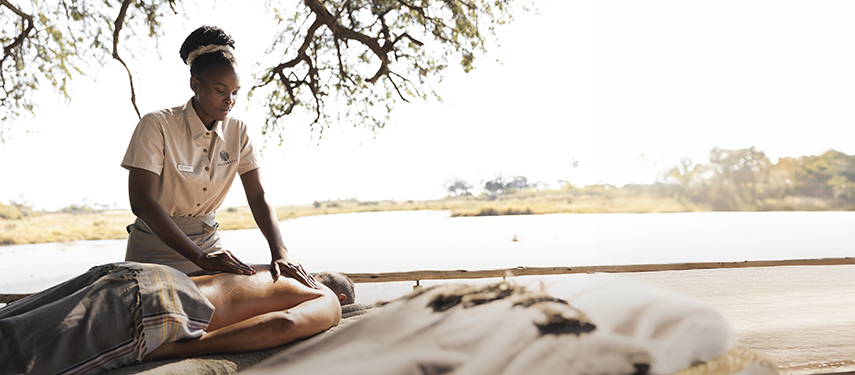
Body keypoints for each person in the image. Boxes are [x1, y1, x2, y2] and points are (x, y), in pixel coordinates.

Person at [120, 25, 315, 287]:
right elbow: (142, 202)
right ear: (195, 84)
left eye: (235, 92)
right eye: (220, 91)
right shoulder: (157, 124)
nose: (229, 100)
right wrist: (200, 258)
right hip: (155, 252)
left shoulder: (238, 132)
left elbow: (258, 196)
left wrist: (280, 253)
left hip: (212, 251)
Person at [0, 262, 354, 375]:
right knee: (19, 359)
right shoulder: (327, 300)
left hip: (139, 273)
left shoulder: (276, 271)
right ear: (341, 298)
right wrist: (177, 349)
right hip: (157, 302)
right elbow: (285, 324)